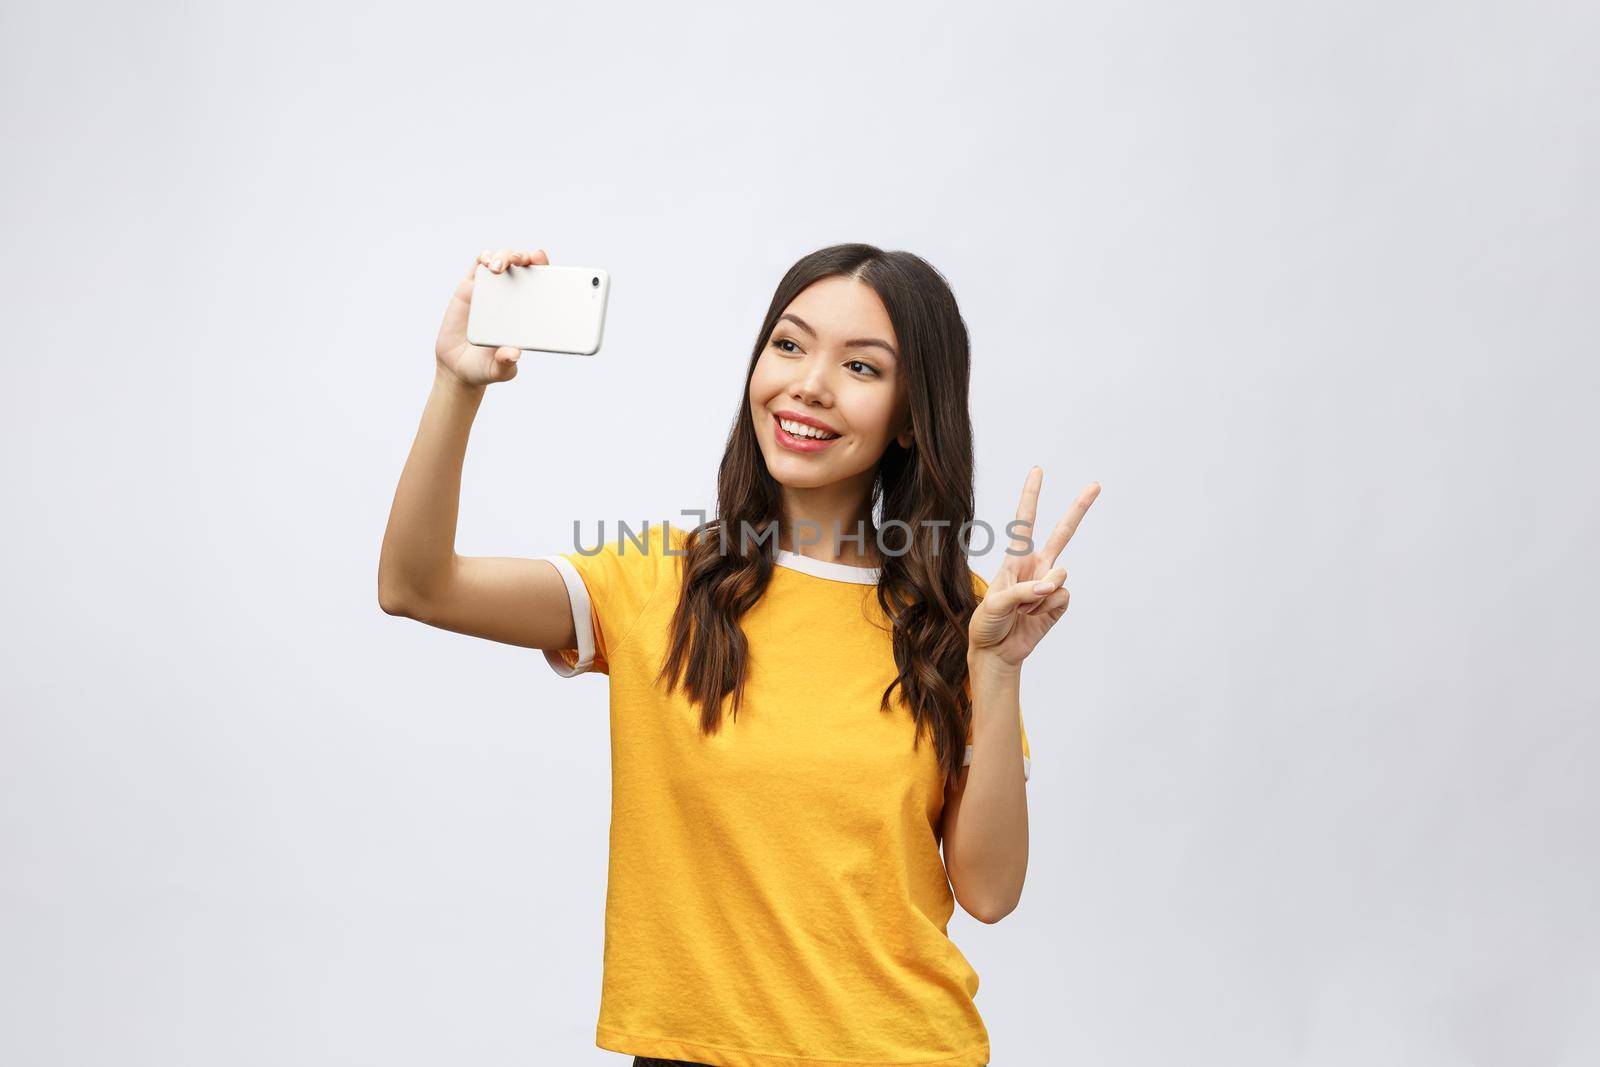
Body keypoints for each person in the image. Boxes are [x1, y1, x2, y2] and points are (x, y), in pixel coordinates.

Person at [378, 242, 1100, 1067]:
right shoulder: (659, 580)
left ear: (909, 415)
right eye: (788, 345)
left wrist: (998, 672)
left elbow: (990, 891)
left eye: (861, 367)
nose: (809, 385)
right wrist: (456, 384)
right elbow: (416, 586)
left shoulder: (962, 619)